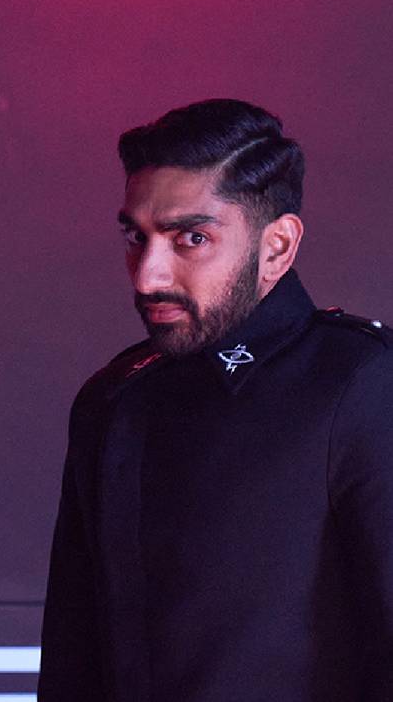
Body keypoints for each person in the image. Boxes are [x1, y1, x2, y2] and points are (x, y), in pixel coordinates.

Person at [38, 98, 393, 700]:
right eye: (136, 237)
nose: (147, 276)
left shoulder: (364, 385)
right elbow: (74, 666)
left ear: (277, 246)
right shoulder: (115, 398)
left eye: (191, 238)